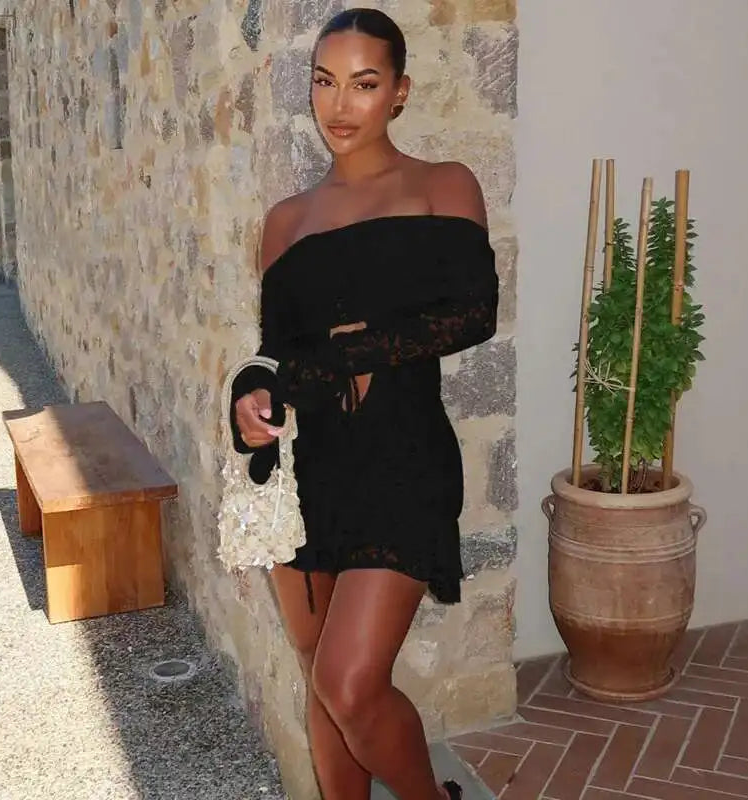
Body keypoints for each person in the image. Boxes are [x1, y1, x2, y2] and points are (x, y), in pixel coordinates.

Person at [230, 8, 499, 800]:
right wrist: (250, 396)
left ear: (400, 92)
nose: (339, 105)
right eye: (325, 82)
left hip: (405, 460)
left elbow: (473, 313)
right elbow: (276, 354)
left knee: (348, 681)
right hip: (307, 471)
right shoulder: (284, 222)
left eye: (364, 83)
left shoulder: (442, 184)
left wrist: (351, 352)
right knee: (318, 675)